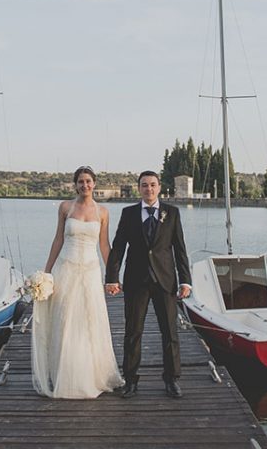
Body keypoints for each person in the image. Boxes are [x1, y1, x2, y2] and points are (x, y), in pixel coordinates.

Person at [32, 166, 124, 398]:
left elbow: (104, 245)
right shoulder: (65, 207)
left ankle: (91, 374)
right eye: (81, 181)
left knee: (89, 321)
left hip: (91, 272)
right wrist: (47, 272)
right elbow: (58, 239)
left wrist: (112, 277)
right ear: (75, 185)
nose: (85, 185)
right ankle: (64, 372)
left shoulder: (103, 212)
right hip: (67, 269)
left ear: (94, 184)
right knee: (64, 319)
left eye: (89, 181)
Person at [105, 171, 192, 399]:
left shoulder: (171, 213)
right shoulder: (129, 213)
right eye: (144, 185)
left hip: (165, 281)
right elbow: (118, 247)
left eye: (153, 185)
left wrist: (185, 280)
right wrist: (112, 277)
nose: (149, 189)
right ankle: (131, 381)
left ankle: (172, 380)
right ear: (139, 188)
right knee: (133, 333)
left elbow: (179, 248)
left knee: (170, 333)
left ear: (159, 187)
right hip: (136, 282)